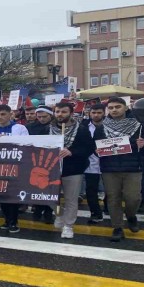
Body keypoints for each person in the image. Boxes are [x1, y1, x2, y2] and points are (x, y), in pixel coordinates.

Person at [93, 97, 144, 242]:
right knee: (113, 198)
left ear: (125, 108)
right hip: (109, 168)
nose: (114, 110)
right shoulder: (102, 127)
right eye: (111, 108)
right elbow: (95, 146)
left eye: (117, 107)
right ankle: (117, 227)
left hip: (133, 168)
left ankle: (131, 216)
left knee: (133, 198)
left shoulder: (139, 126)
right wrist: (97, 151)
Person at [51, 102, 96, 239]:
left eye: (64, 112)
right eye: (57, 111)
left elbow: (89, 148)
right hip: (50, 170)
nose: (60, 114)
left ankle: (68, 225)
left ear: (71, 113)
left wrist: (72, 152)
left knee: (71, 199)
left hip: (73, 169)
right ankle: (59, 214)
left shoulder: (81, 130)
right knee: (50, 198)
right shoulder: (48, 128)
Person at [0, 104, 29, 234]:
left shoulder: (20, 128)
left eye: (3, 114)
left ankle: (13, 221)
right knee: (1, 195)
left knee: (12, 196)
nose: (0, 117)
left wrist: (8, 140)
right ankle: (7, 219)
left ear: (10, 114)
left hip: (15, 166)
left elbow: (26, 145)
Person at [27, 106, 55, 224]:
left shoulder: (56, 127)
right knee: (37, 187)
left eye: (45, 116)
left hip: (52, 161)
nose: (42, 119)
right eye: (39, 117)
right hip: (36, 161)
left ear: (50, 116)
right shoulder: (30, 127)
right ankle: (37, 210)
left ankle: (48, 212)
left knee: (51, 188)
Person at [84, 104, 107, 224]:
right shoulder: (83, 126)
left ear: (104, 113)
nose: (96, 115)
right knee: (91, 189)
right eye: (93, 112)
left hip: (108, 162)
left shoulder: (111, 125)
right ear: (90, 113)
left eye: (99, 112)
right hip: (90, 162)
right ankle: (95, 213)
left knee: (111, 189)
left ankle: (108, 207)